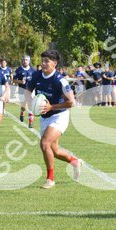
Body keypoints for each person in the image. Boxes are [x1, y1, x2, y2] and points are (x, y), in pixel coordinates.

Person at [25, 49, 82, 189]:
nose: (43, 64)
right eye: (42, 61)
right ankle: (75, 162)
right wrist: (31, 103)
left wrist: (52, 107)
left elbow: (71, 102)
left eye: (47, 61)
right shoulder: (36, 75)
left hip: (59, 115)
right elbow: (27, 91)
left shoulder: (59, 80)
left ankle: (50, 179)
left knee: (45, 143)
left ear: (54, 63)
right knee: (54, 151)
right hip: (45, 117)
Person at [13, 55, 35, 127]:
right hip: (22, 90)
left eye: (26, 60)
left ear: (29, 61)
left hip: (31, 90)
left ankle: (30, 122)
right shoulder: (18, 70)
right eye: (23, 60)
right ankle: (22, 112)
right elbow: (14, 80)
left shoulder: (33, 70)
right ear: (22, 61)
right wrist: (20, 81)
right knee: (24, 106)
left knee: (30, 105)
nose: (25, 61)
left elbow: (37, 79)